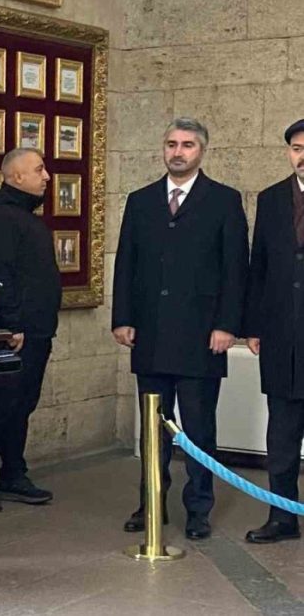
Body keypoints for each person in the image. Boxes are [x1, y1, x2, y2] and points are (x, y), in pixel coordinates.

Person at [112, 118, 248, 540]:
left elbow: (235, 270)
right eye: (171, 143)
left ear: (201, 151)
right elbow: (126, 262)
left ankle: (199, 508)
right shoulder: (140, 201)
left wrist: (227, 326)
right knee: (153, 428)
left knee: (199, 428)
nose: (178, 151)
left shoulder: (223, 200)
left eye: (187, 145)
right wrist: (122, 317)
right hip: (150, 335)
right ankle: (150, 502)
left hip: (201, 337)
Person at [0, 148, 60, 512]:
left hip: (37, 328)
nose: (46, 176)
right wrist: (11, 324)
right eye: (39, 169)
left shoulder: (24, 215)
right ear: (16, 177)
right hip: (15, 332)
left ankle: (14, 474)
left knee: (22, 405)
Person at [242, 119, 304, 544]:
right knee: (281, 435)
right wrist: (253, 326)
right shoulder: (271, 199)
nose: (302, 156)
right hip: (282, 337)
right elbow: (258, 266)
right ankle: (283, 517)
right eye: (297, 148)